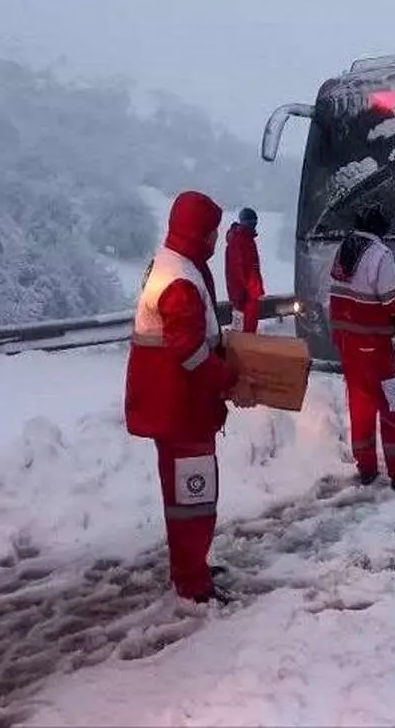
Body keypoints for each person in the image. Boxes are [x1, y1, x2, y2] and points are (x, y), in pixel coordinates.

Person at [125, 189, 255, 605]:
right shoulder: (180, 279)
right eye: (213, 233)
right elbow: (190, 351)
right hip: (181, 406)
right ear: (199, 233)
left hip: (173, 403)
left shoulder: (172, 263)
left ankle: (190, 565)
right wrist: (229, 379)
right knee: (193, 496)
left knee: (185, 494)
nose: (218, 240)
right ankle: (192, 581)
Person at [328, 205, 395, 496]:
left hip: (347, 342)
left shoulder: (344, 249)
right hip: (373, 345)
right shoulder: (379, 254)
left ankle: (367, 467)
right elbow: (392, 301)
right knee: (392, 405)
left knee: (360, 404)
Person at [224, 207, 266, 333]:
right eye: (251, 221)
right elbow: (239, 269)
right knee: (246, 329)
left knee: (243, 327)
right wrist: (246, 292)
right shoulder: (240, 240)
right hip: (246, 293)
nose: (253, 224)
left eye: (254, 221)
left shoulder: (245, 239)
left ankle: (243, 348)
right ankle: (244, 350)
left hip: (245, 292)